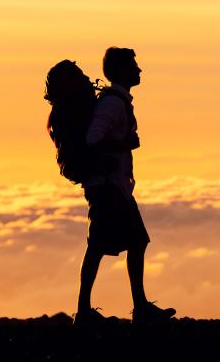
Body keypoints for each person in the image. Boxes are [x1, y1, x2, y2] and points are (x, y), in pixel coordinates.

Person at [73, 47, 175, 326]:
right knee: (101, 246)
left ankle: (133, 307)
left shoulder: (115, 101)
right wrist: (125, 144)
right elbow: (93, 139)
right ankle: (87, 312)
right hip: (108, 187)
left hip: (113, 186)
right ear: (119, 71)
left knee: (132, 242)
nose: (139, 70)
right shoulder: (113, 104)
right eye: (133, 66)